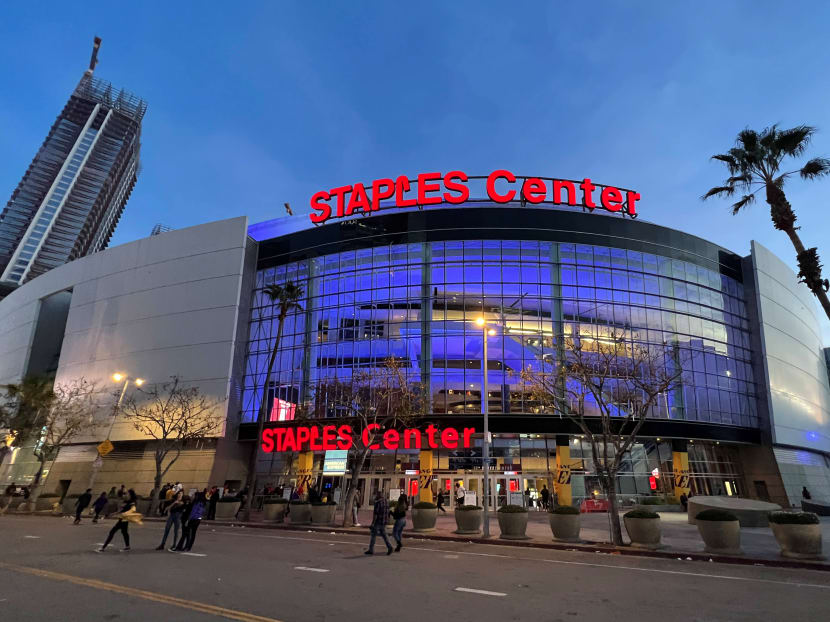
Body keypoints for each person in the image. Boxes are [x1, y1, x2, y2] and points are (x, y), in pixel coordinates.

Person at [364, 490, 394, 555]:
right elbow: (388, 512)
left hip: (378, 522)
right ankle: (390, 547)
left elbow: (376, 514)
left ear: (378, 496)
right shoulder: (386, 502)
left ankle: (371, 549)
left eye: (376, 495)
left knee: (373, 535)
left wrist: (372, 523)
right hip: (384, 521)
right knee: (384, 535)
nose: (375, 496)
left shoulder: (378, 503)